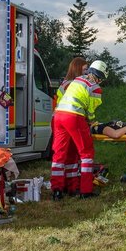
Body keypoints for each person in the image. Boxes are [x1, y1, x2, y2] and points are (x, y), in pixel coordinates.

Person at [50, 60, 108, 200]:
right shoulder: (95, 88)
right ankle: (85, 191)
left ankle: (57, 190)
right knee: (86, 153)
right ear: (100, 77)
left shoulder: (77, 80)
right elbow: (91, 110)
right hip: (74, 117)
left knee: (59, 154)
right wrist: (92, 122)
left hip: (58, 116)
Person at [51, 57, 89, 194]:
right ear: (77, 69)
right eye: (84, 69)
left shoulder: (64, 84)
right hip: (71, 119)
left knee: (62, 156)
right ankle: (72, 187)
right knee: (73, 154)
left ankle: (59, 188)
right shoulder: (77, 84)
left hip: (58, 119)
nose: (87, 72)